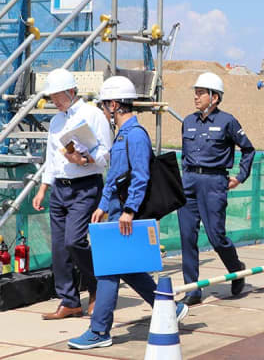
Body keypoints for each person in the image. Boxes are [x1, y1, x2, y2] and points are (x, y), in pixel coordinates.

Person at [68, 76, 188, 349]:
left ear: (113, 104)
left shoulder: (134, 135)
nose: (102, 110)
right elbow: (115, 176)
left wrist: (129, 210)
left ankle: (99, 332)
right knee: (127, 269)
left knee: (109, 270)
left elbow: (141, 177)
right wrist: (102, 205)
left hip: (124, 213)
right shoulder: (123, 134)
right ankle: (173, 307)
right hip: (114, 210)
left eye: (103, 105)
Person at [33, 68, 112, 320]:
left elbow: (106, 153)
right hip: (60, 188)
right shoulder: (56, 121)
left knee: (74, 241)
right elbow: (51, 157)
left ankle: (97, 285)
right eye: (51, 97)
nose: (54, 101)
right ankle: (69, 301)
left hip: (85, 186)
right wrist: (44, 186)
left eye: (57, 96)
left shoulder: (93, 115)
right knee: (59, 247)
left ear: (70, 91)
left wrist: (84, 159)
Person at [178, 72, 256, 306]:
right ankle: (192, 289)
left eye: (201, 93)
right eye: (196, 92)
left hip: (214, 183)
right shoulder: (188, 121)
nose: (196, 96)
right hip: (189, 181)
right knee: (186, 236)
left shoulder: (228, 121)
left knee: (215, 236)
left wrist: (240, 177)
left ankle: (236, 268)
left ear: (214, 97)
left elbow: (248, 149)